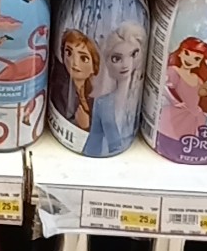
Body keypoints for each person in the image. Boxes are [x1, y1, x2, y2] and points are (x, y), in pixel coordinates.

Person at [83, 21, 146, 158]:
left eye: (133, 54)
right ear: (107, 61)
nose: (126, 64)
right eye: (116, 58)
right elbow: (98, 143)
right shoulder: (103, 103)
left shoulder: (137, 98)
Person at [50, 28, 99, 133]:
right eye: (69, 52)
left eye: (84, 58)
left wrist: (86, 126)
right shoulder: (59, 88)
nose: (74, 62)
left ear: (94, 68)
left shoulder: (94, 101)